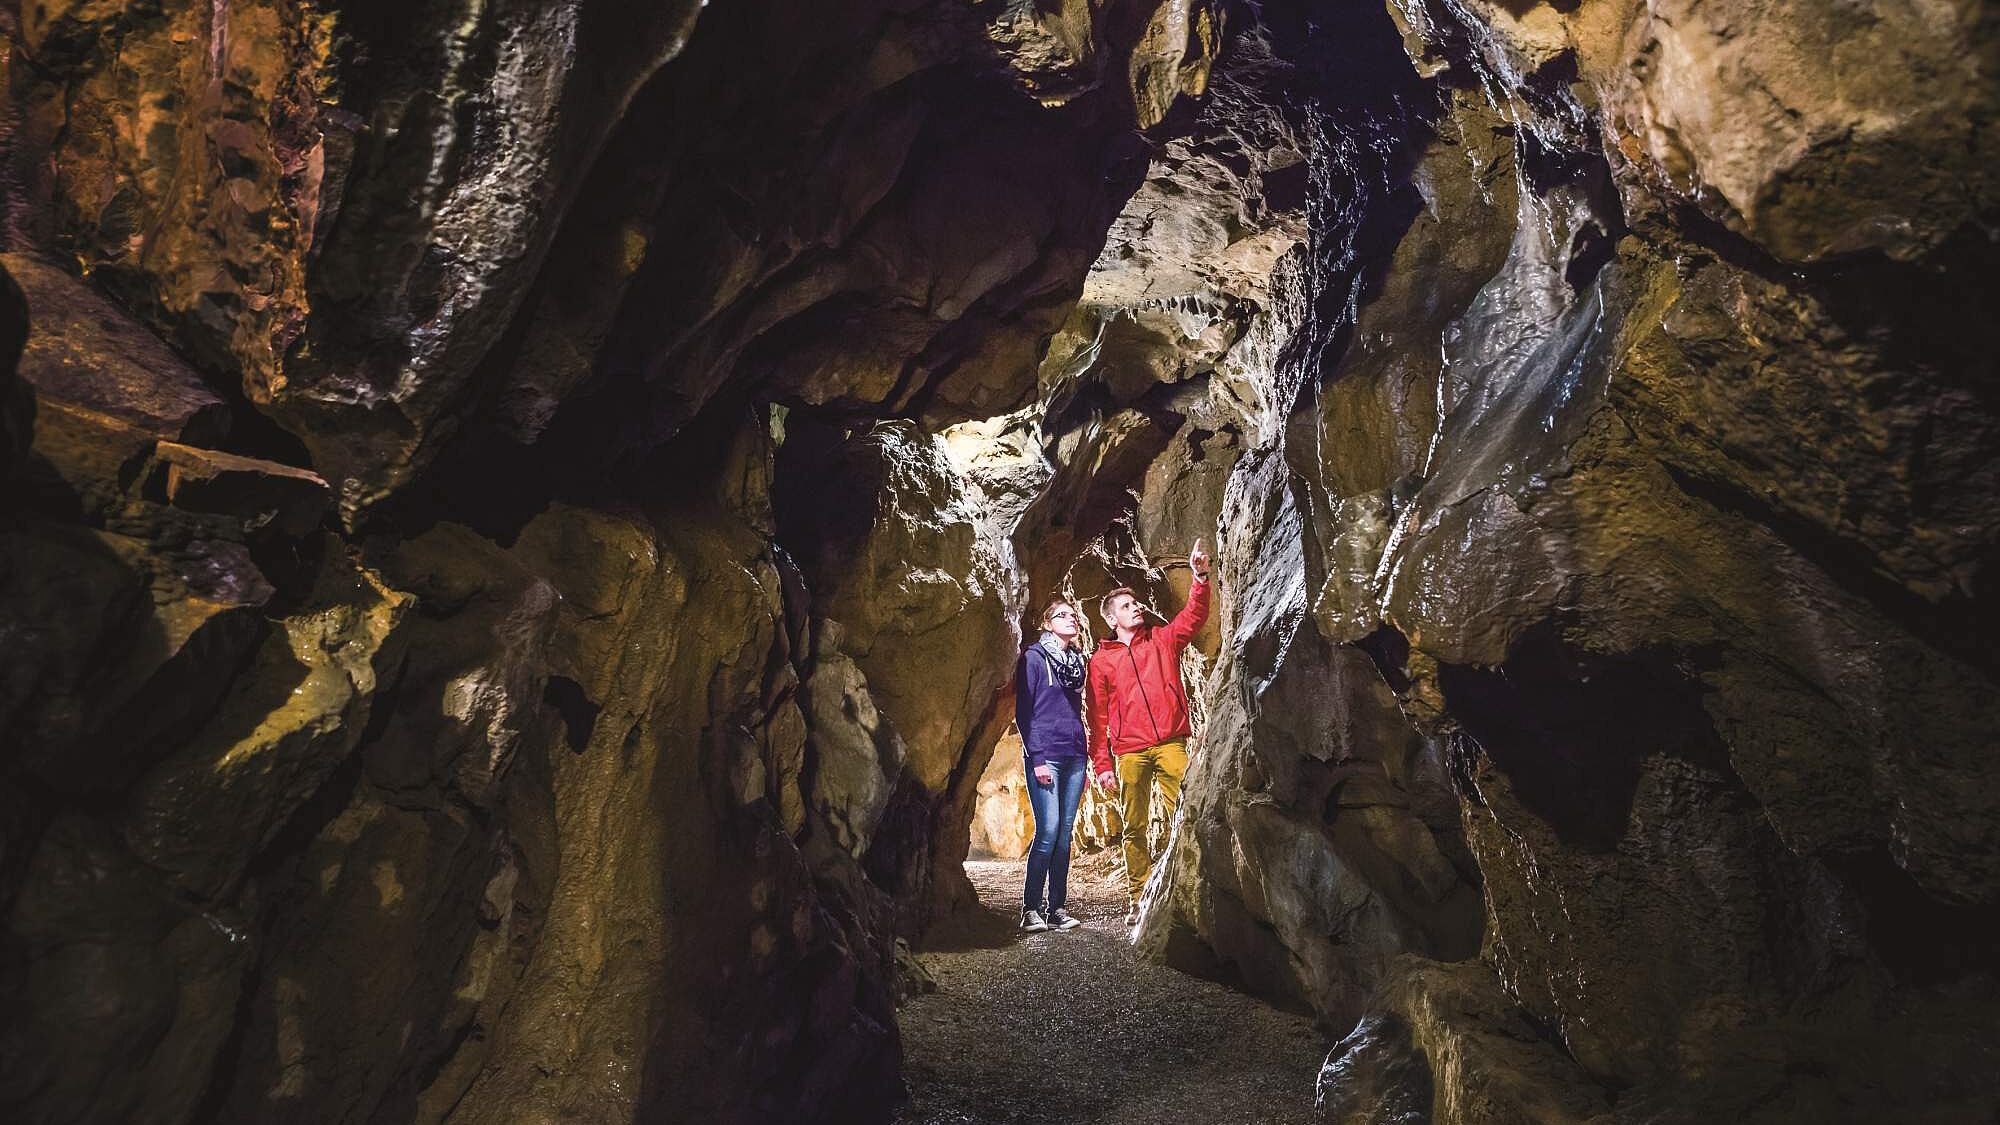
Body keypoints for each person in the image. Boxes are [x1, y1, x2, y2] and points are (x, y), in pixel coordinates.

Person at [1086, 541, 1212, 925]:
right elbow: (1098, 718)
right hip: (1131, 753)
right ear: (1112, 620)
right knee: (1134, 827)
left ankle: (1192, 890)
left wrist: (1200, 578)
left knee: (1186, 814)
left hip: (1171, 743)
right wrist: (1102, 764)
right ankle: (1139, 898)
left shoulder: (1161, 640)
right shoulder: (1102, 662)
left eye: (1136, 602)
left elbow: (1192, 617)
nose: (1136, 606)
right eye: (1126, 606)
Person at [1014, 598, 1091, 933]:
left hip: (1074, 755)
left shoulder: (1076, 662)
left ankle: (1057, 907)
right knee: (1047, 831)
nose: (1070, 620)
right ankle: (1030, 908)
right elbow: (1024, 711)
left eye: (1073, 616)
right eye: (1062, 615)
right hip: (1046, 757)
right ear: (1047, 623)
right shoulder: (1033, 658)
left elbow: (1076, 712)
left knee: (1064, 835)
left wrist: (1084, 758)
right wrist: (1037, 758)